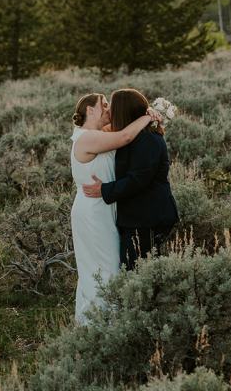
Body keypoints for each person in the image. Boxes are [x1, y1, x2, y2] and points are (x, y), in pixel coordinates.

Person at [70, 92, 154, 323]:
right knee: (103, 269)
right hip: (93, 211)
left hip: (103, 207)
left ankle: (99, 325)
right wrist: (149, 116)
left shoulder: (97, 134)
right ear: (90, 110)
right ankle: (98, 327)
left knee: (105, 267)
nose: (109, 109)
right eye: (104, 105)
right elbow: (126, 136)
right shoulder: (86, 138)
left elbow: (124, 130)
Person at [82, 88, 179, 270]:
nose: (109, 110)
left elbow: (138, 180)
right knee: (136, 272)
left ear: (122, 111)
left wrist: (104, 190)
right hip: (137, 217)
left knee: (139, 273)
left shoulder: (148, 139)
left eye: (112, 107)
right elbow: (98, 131)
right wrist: (147, 116)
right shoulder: (132, 135)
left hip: (147, 218)